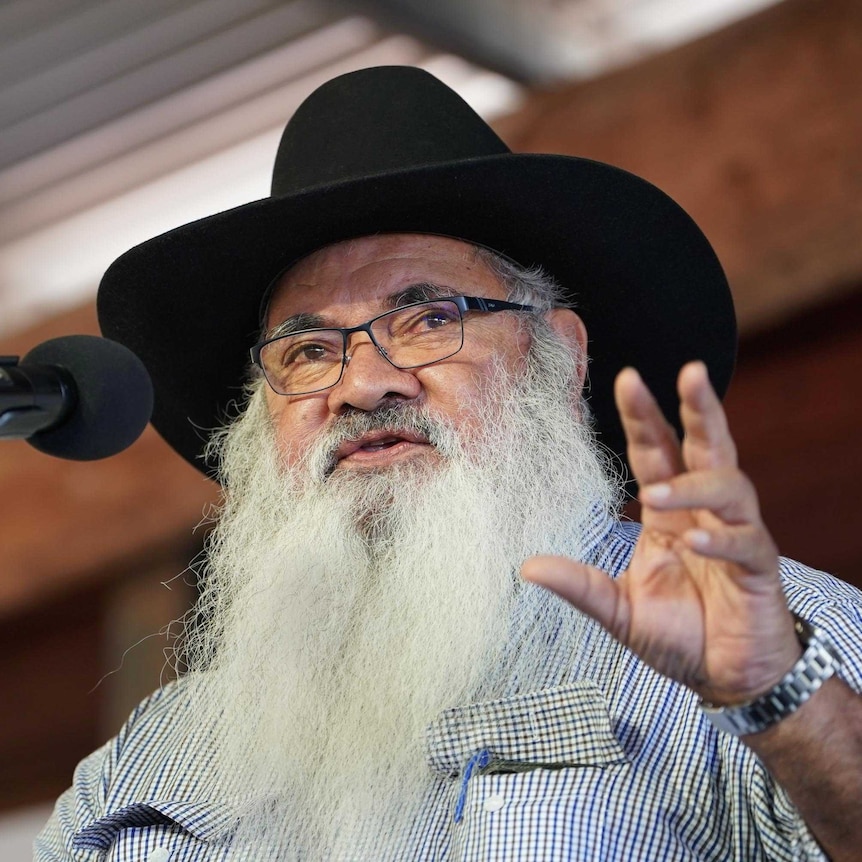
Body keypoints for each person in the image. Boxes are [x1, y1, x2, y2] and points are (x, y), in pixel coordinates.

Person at [36, 66, 862, 861]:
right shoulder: (155, 754)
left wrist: (774, 694)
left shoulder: (774, 642)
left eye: (431, 320)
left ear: (560, 358)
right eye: (309, 351)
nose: (361, 384)